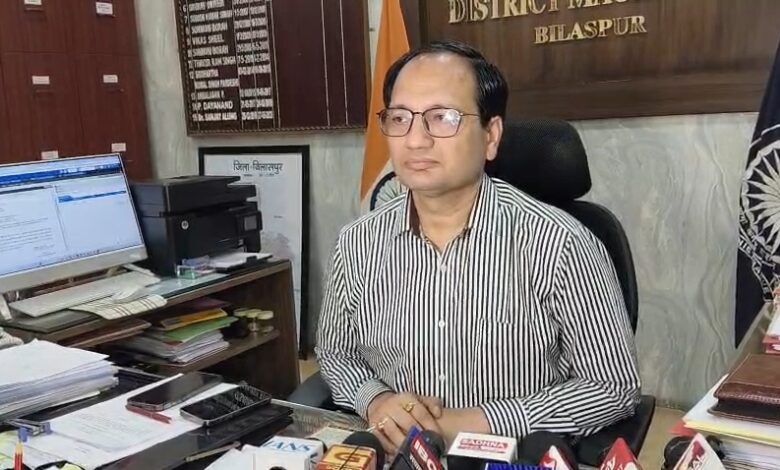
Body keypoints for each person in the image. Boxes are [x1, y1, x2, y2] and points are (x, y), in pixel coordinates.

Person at [315, 40, 641, 454]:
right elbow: (336, 352)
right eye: (399, 118)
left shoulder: (562, 243)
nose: (415, 140)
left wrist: (473, 424)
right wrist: (375, 400)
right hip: (399, 454)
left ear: (491, 136)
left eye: (442, 117)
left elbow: (613, 385)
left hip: (511, 455)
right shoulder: (357, 242)